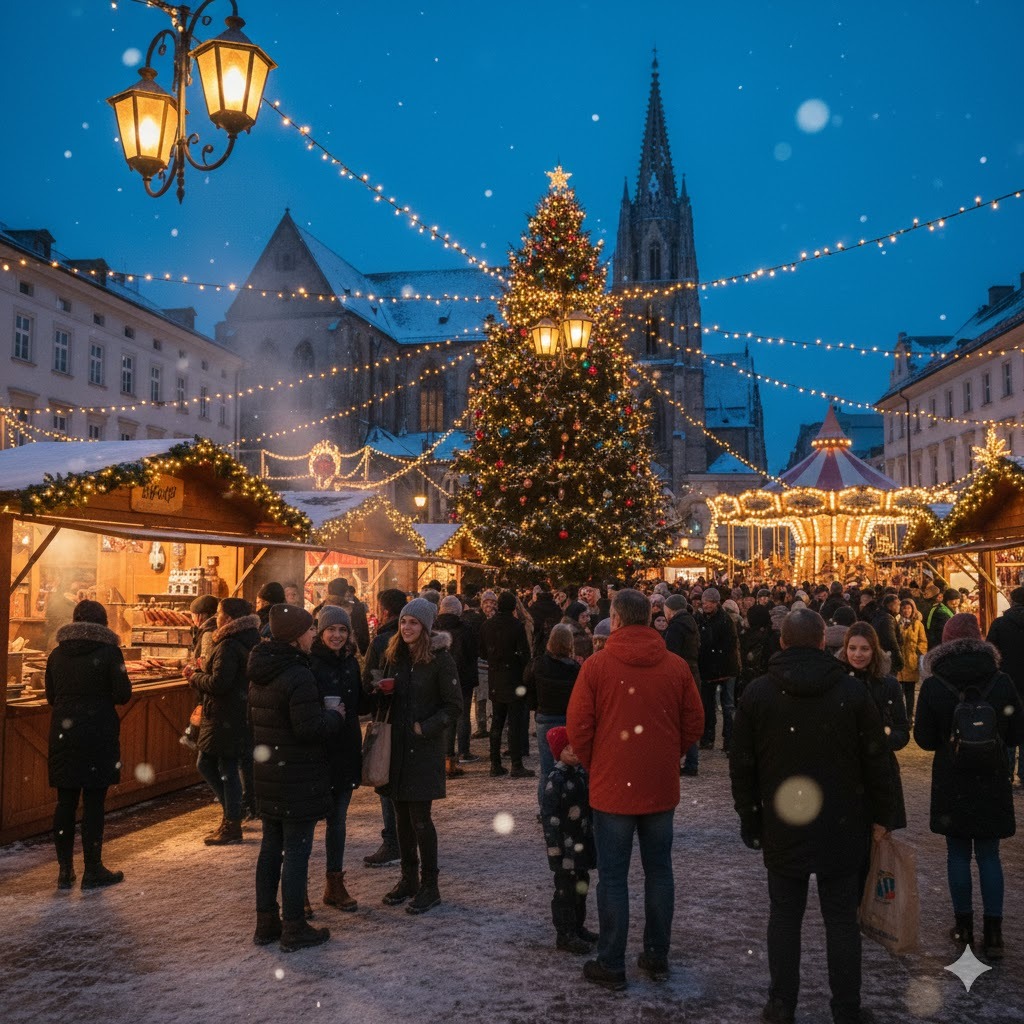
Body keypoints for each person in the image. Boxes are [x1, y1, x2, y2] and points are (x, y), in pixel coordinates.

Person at [729, 608, 894, 1024]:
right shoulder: (852, 694)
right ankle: (846, 1008)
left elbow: (742, 764)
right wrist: (882, 815)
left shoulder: (759, 693)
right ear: (826, 643)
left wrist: (751, 818)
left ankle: (782, 1003)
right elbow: (877, 762)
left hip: (783, 817)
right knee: (841, 918)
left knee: (785, 914)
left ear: (782, 642)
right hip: (842, 818)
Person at [567, 589, 704, 991]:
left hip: (613, 787)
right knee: (659, 871)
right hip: (659, 784)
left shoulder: (596, 666)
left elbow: (579, 726)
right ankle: (657, 954)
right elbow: (693, 722)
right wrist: (667, 753)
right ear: (650, 617)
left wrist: (600, 763)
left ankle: (612, 961)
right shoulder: (675, 666)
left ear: (617, 619)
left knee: (613, 877)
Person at [913, 612, 1021, 960]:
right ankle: (994, 933)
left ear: (945, 641)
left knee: (957, 855)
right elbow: (1018, 732)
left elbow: (925, 740)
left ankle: (963, 926)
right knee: (989, 855)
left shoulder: (933, 684)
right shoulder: (1000, 680)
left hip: (952, 778)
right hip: (992, 777)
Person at [248, 604, 344, 952]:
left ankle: (266, 922)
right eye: (309, 630)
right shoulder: (298, 675)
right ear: (294, 636)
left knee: (271, 850)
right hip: (297, 777)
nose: (314, 635)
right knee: (297, 852)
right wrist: (334, 717)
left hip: (270, 773)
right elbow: (308, 728)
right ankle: (294, 927)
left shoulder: (261, 669)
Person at [370, 598, 462, 914]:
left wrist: (426, 727)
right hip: (395, 748)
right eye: (404, 622)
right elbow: (380, 698)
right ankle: (407, 879)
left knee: (421, 820)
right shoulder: (393, 655)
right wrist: (380, 692)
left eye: (414, 623)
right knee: (401, 819)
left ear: (425, 626)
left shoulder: (440, 660)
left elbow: (454, 706)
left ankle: (429, 885)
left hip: (422, 750)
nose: (407, 628)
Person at [46, 599, 132, 890]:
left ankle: (64, 870)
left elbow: (51, 696)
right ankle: (93, 869)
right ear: (103, 622)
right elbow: (123, 694)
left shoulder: (57, 654)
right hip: (98, 733)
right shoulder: (110, 652)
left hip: (64, 733)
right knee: (94, 802)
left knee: (65, 801)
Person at [187, 597, 261, 846]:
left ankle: (232, 822)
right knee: (208, 762)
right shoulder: (249, 639)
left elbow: (220, 683)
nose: (216, 617)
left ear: (227, 618)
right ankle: (234, 811)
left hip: (226, 715)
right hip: (236, 713)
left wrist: (196, 676)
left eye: (219, 613)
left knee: (223, 767)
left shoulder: (228, 644)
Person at [309, 604, 365, 912]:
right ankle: (299, 892)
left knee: (338, 820)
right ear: (320, 631)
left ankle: (334, 882)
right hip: (318, 751)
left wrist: (376, 689)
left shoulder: (351, 663)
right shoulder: (310, 664)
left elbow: (358, 705)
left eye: (343, 630)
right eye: (331, 629)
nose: (337, 635)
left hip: (345, 748)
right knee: (305, 824)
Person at [839, 623, 909, 837]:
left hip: (880, 774)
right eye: (852, 648)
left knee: (879, 846)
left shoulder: (888, 685)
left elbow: (902, 732)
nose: (857, 654)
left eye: (864, 649)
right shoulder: (836, 683)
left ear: (874, 650)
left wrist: (878, 741)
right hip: (845, 773)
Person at [361, 588, 409, 868]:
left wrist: (377, 690)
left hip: (388, 719)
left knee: (385, 780)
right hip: (412, 722)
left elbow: (369, 682)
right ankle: (406, 838)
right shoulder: (419, 639)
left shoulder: (380, 642)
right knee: (406, 782)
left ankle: (393, 841)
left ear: (385, 610)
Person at [540, 726, 597, 955]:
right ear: (557, 752)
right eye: (566, 747)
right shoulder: (556, 780)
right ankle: (565, 933)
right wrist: (554, 847)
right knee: (565, 890)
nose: (573, 751)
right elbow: (549, 817)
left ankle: (577, 926)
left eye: (574, 745)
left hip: (581, 843)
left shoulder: (582, 774)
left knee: (581, 886)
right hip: (564, 848)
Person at [479, 591, 534, 779]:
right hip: (513, 677)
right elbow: (524, 652)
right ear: (513, 607)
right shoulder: (516, 625)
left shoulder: (487, 625)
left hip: (496, 675)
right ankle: (516, 764)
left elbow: (483, 651)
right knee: (515, 723)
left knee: (497, 721)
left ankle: (495, 763)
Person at [525, 623, 580, 806]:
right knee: (571, 764)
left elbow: (527, 686)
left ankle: (547, 806)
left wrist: (536, 706)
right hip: (568, 717)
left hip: (545, 715)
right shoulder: (574, 668)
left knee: (547, 766)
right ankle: (569, 801)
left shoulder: (538, 664)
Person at [435, 594, 479, 774]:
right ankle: (463, 751)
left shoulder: (434, 627)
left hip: (441, 678)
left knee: (446, 715)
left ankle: (446, 754)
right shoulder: (465, 628)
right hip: (463, 677)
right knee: (463, 715)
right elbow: (472, 653)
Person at [985, 586, 1024, 786]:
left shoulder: (1000, 624)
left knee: (1007, 727)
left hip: (1007, 683)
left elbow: (991, 653)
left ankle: (1007, 772)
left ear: (1012, 601)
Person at [696, 587, 741, 752]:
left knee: (727, 705)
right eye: (705, 601)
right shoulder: (699, 618)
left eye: (710, 602)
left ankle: (729, 740)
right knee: (707, 705)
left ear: (716, 603)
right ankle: (708, 738)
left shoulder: (725, 620)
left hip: (724, 668)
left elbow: (728, 645)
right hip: (708, 668)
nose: (707, 605)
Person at [664, 593, 702, 778]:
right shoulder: (690, 623)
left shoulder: (676, 627)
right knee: (688, 716)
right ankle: (692, 761)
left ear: (670, 610)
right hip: (692, 671)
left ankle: (685, 761)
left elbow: (671, 654)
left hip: (680, 674)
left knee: (677, 718)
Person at [896, 598, 929, 724]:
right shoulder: (897, 622)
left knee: (909, 692)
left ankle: (909, 716)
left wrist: (919, 653)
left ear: (913, 609)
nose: (906, 610)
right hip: (900, 661)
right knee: (899, 692)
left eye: (909, 608)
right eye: (904, 608)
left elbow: (923, 641)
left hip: (911, 661)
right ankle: (900, 716)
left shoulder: (918, 624)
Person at [870, 594, 904, 677]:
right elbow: (891, 641)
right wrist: (898, 657)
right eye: (898, 604)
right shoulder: (888, 619)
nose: (899, 607)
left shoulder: (880, 615)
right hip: (888, 656)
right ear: (890, 606)